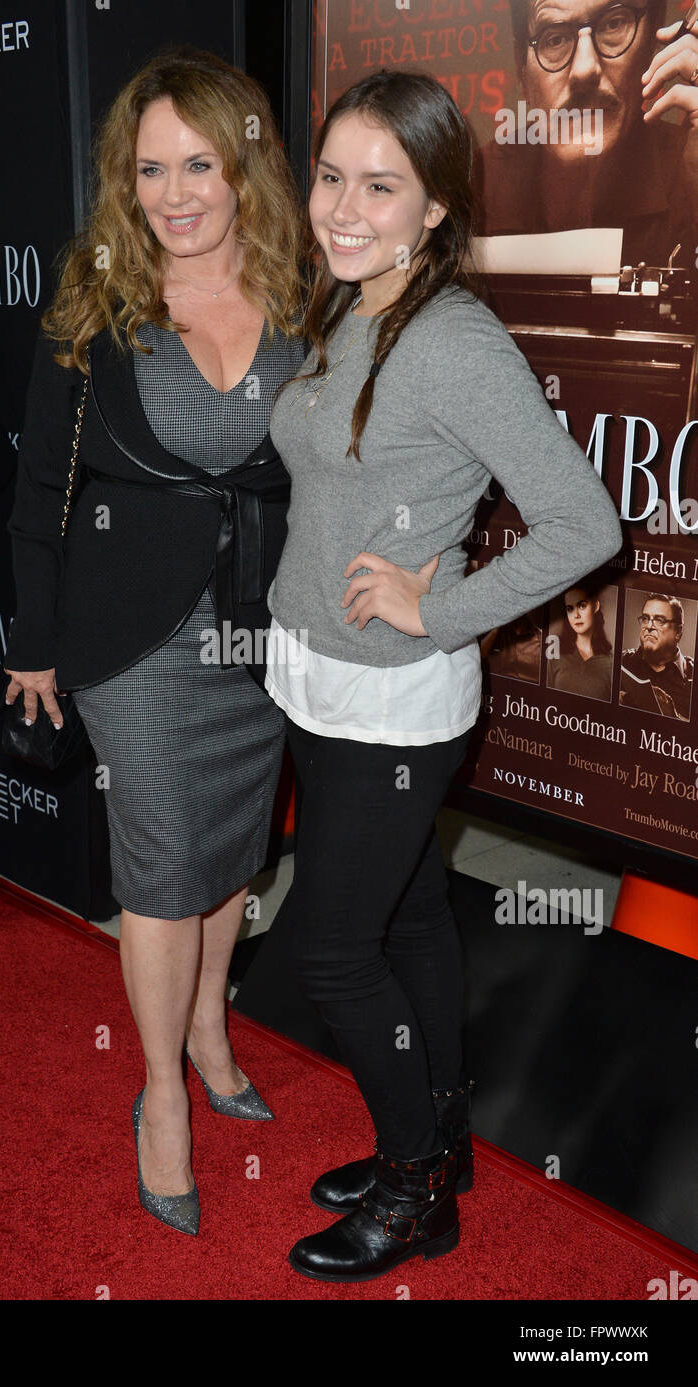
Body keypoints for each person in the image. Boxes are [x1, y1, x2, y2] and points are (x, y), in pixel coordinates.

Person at [263, 69, 622, 1283]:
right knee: (410, 915)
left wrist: (442, 608)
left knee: (328, 951)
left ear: (433, 209)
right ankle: (444, 1138)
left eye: (381, 186)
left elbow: (585, 521)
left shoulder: (451, 338)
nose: (343, 208)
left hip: (391, 697)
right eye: (330, 176)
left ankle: (416, 1183)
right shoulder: (347, 303)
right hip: (320, 676)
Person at [2, 48, 306, 1236]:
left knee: (229, 858)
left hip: (261, 627)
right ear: (123, 183)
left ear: (245, 168)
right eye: (149, 169)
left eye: (200, 163)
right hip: (132, 634)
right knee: (163, 870)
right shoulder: (96, 298)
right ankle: (162, 1093)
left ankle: (212, 1026)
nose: (176, 192)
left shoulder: (304, 291)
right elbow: (39, 486)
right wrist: (31, 640)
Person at [477, 0, 698, 267]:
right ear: (521, 66)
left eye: (613, 24)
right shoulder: (472, 185)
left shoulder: (690, 166)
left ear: (652, 41)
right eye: (554, 39)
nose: (584, 70)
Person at [619, 592, 693, 718]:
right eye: (645, 618)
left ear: (678, 632)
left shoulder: (692, 674)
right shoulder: (620, 662)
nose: (648, 626)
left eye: (659, 620)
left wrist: (673, 716)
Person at [546, 581, 614, 699]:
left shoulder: (611, 662)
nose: (576, 615)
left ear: (595, 606)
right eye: (570, 609)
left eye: (582, 606)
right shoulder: (555, 653)